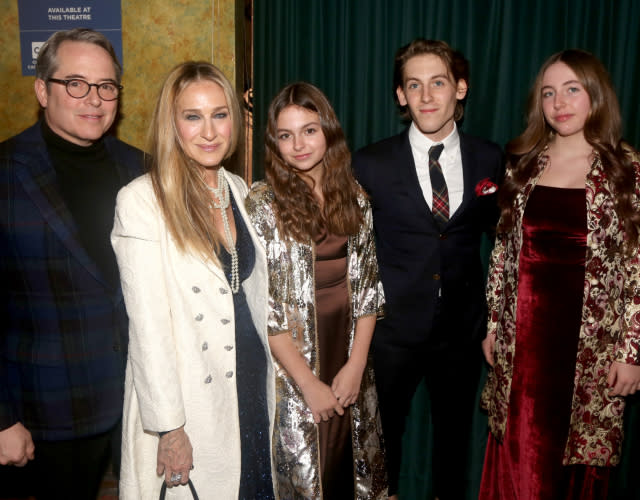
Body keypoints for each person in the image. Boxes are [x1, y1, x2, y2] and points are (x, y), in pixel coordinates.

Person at [479, 49, 640, 499]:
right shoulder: (524, 165)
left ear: (596, 95)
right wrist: (494, 324)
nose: (559, 102)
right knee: (519, 456)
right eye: (549, 93)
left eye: (572, 89)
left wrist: (633, 351)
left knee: (573, 468)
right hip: (522, 348)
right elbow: (502, 255)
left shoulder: (627, 172)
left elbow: (636, 267)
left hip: (590, 353)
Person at [111, 61, 275, 499]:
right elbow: (147, 329)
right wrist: (170, 428)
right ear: (172, 123)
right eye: (192, 117)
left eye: (220, 115)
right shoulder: (142, 201)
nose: (209, 132)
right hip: (188, 399)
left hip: (251, 383)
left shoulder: (239, 189)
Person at [352, 39, 504, 499]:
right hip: (391, 329)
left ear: (460, 88)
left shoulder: (490, 158)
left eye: (438, 82)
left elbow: (503, 245)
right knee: (385, 440)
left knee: (453, 440)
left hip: (461, 330)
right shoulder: (370, 163)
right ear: (400, 95)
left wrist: (494, 321)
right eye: (413, 85)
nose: (426, 96)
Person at [0, 28, 143, 499]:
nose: (94, 99)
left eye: (106, 86)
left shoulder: (141, 169)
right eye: (76, 84)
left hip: (138, 401)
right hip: (47, 412)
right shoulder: (5, 172)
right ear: (43, 90)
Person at [246, 82, 387, 500]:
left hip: (349, 351)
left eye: (309, 130)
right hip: (293, 365)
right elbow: (265, 307)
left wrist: (357, 365)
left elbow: (368, 289)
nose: (299, 145)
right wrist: (307, 383)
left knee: (353, 466)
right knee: (308, 476)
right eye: (285, 136)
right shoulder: (262, 203)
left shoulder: (356, 198)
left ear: (328, 130)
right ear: (275, 144)